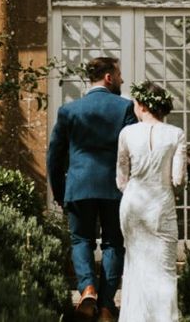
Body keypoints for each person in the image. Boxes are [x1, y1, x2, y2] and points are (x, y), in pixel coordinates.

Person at [47, 57, 136, 322]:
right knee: (113, 244)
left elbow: (54, 156)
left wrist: (60, 191)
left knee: (81, 240)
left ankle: (87, 289)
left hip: (79, 185)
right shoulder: (125, 108)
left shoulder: (69, 111)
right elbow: (133, 152)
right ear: (108, 77)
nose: (121, 80)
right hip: (115, 188)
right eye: (119, 74)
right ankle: (107, 306)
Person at [116, 81, 187, 322]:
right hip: (161, 204)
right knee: (164, 268)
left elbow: (121, 179)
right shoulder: (176, 134)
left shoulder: (126, 133)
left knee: (135, 265)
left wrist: (135, 189)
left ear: (143, 105)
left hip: (133, 202)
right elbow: (178, 179)